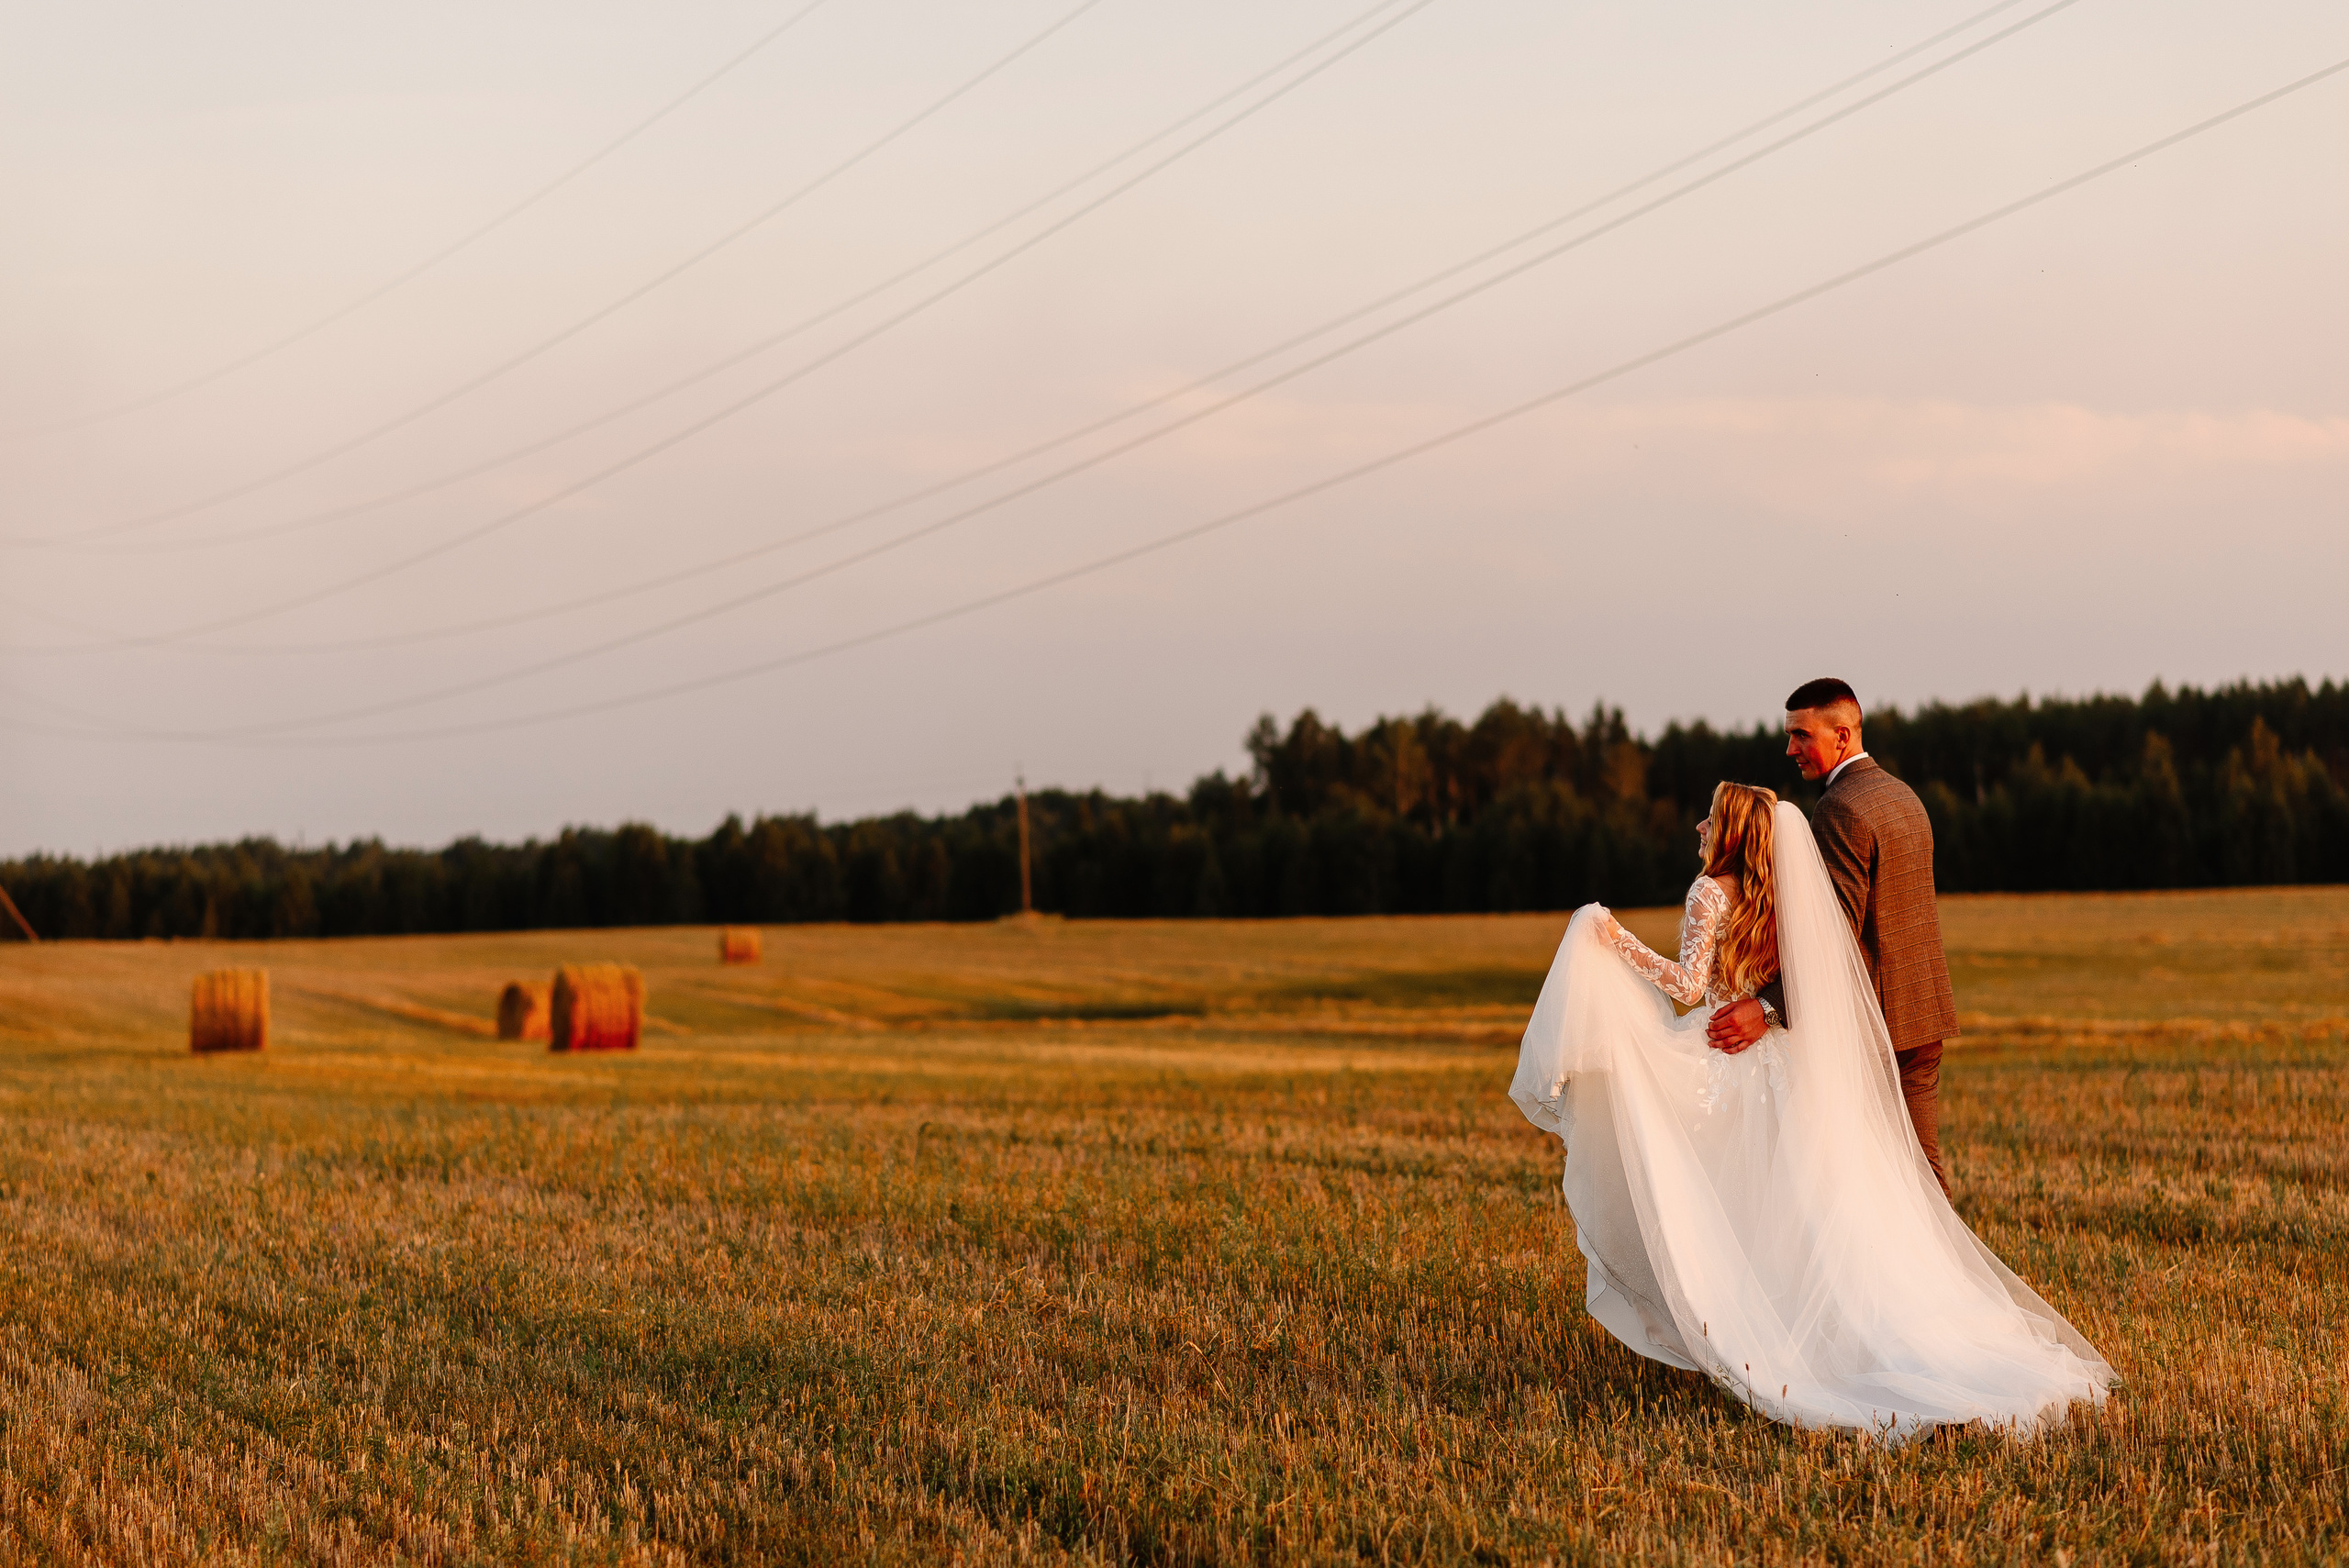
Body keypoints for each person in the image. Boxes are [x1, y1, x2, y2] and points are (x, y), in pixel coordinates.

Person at [1508, 782, 2111, 1439]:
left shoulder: (1709, 890)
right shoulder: (1781, 896)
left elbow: (1687, 985)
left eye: (1710, 816)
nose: (1700, 825)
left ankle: (1750, 1327)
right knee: (1795, 1204)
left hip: (1726, 1061)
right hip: (1780, 1063)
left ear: (1732, 829)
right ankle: (1811, 1326)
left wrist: (1612, 938)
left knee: (1716, 1195)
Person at [1705, 678, 1959, 1195]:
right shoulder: (1903, 796)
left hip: (1874, 1028)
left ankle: (1938, 1278)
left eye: (1801, 735)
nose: (1789, 749)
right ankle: (1940, 1274)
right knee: (1919, 1179)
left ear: (1842, 735)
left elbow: (1833, 934)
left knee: (1867, 1185)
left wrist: (1768, 1007)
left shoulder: (1840, 808)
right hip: (1922, 1016)